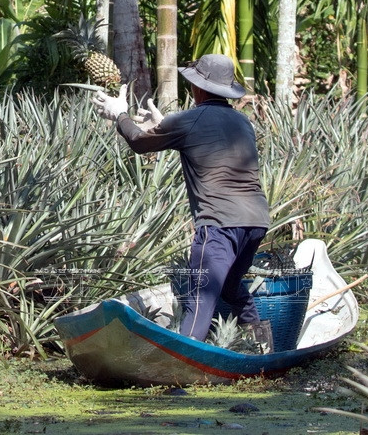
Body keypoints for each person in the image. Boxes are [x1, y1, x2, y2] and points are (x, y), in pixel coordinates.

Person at [92, 54, 273, 349]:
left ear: (198, 89)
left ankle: (181, 367)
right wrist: (164, 125)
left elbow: (139, 142)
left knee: (200, 298)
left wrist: (120, 115)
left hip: (219, 224)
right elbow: (205, 140)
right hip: (255, 222)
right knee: (230, 287)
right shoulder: (243, 122)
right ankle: (264, 349)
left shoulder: (189, 120)